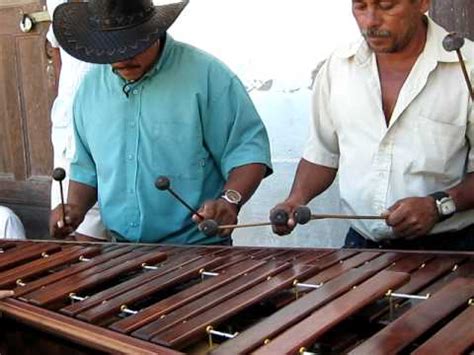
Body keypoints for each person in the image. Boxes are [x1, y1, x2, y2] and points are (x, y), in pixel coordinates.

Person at [49, 0, 272, 245]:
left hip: (197, 250)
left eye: (133, 44)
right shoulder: (89, 88)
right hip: (121, 253)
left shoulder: (208, 76)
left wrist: (229, 201)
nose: (124, 57)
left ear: (154, 31)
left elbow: (247, 152)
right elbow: (86, 168)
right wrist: (73, 210)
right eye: (113, 48)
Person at [272, 0, 474, 251]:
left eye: (387, 6)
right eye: (361, 7)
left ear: (422, 3)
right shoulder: (338, 66)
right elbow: (323, 153)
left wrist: (439, 205)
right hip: (361, 247)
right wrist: (295, 199)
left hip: (452, 249)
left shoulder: (468, 67)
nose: (370, 22)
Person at [47, 0, 107, 241]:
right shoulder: (56, 3)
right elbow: (56, 47)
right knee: (66, 217)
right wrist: (67, 96)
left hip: (110, 117)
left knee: (97, 227)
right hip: (68, 120)